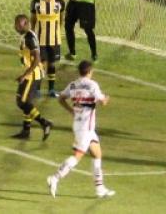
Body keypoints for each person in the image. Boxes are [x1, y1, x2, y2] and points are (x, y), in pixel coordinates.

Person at [47, 60, 115, 198]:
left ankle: (100, 189)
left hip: (80, 125)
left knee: (97, 154)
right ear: (90, 72)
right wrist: (107, 98)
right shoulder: (92, 85)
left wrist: (71, 110)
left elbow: (61, 98)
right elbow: (103, 102)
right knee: (77, 156)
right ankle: (54, 178)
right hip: (85, 128)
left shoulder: (73, 85)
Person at [12, 14, 53, 140]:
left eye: (17, 24)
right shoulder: (28, 35)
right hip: (32, 73)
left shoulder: (29, 37)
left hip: (32, 75)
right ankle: (26, 130)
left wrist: (25, 75)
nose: (15, 26)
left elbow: (37, 59)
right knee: (27, 103)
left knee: (22, 102)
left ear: (24, 23)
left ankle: (44, 123)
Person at [31, 0, 66, 98]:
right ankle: (37, 89)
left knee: (52, 64)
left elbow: (61, 19)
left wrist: (57, 31)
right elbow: (33, 19)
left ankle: (51, 89)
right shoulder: (36, 2)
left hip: (54, 40)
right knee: (41, 64)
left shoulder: (60, 3)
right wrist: (32, 33)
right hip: (40, 40)